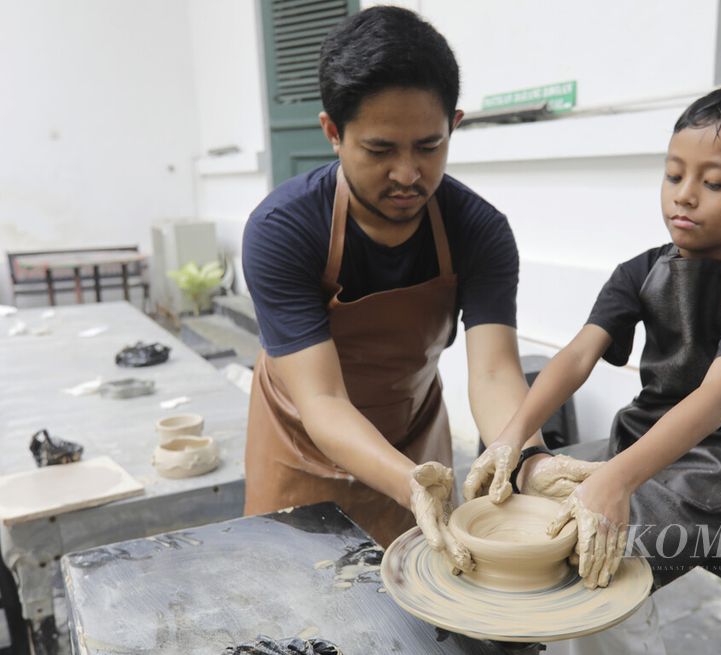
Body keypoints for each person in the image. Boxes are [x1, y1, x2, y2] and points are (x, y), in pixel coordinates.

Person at [240, 6, 597, 568]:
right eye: (380, 150)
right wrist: (405, 481)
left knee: (415, 601)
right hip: (301, 443)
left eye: (429, 147)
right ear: (333, 132)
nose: (408, 174)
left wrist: (526, 459)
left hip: (414, 435)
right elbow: (324, 399)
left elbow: (493, 371)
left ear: (453, 125)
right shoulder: (283, 230)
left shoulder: (479, 229)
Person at [467, 87, 721, 651]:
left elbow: (715, 399)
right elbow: (575, 357)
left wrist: (615, 480)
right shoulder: (640, 271)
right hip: (638, 441)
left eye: (714, 183)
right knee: (516, 506)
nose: (685, 196)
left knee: (594, 551)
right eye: (674, 176)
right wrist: (510, 437)